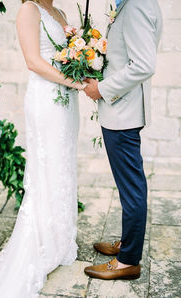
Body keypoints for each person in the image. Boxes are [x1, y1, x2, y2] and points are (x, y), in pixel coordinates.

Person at [0, 1, 86, 297]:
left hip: (67, 103)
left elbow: (66, 54)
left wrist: (83, 63)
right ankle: (41, 241)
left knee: (63, 164)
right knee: (47, 167)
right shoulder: (29, 9)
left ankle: (60, 238)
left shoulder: (61, 13)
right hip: (46, 99)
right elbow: (33, 61)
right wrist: (75, 83)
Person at [84, 0, 162, 280]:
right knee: (129, 186)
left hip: (123, 113)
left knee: (132, 189)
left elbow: (143, 65)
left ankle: (128, 260)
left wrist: (102, 88)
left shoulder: (138, 5)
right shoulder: (132, 3)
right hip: (123, 110)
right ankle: (128, 243)